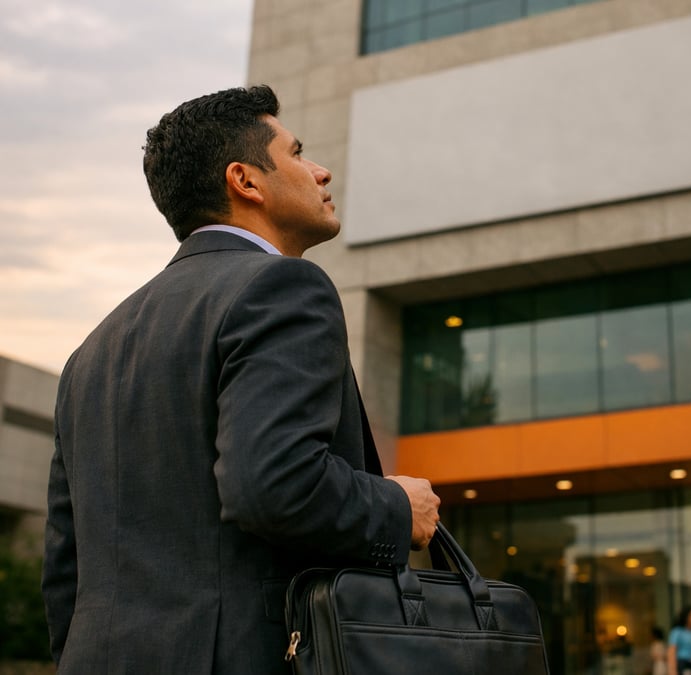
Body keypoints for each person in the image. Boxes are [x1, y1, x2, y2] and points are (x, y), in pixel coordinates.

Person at [41, 85, 441, 674]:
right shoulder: (283, 287)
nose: (321, 171)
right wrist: (395, 508)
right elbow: (272, 484)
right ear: (245, 181)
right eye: (299, 154)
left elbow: (65, 565)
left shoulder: (92, 351)